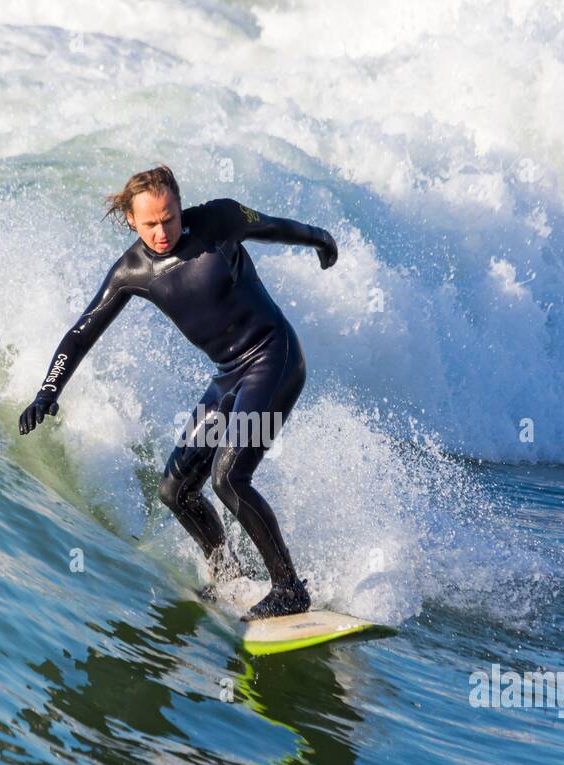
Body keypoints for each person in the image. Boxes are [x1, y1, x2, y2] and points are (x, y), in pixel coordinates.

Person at [18, 165, 338, 621]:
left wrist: (320, 238)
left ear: (180, 206)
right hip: (229, 376)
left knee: (229, 478)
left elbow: (272, 226)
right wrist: (48, 392)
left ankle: (288, 588)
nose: (162, 231)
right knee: (175, 489)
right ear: (131, 220)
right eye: (149, 223)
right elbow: (81, 332)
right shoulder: (133, 271)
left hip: (274, 358)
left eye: (169, 217)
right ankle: (228, 576)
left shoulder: (219, 220)